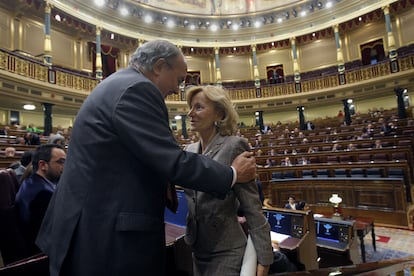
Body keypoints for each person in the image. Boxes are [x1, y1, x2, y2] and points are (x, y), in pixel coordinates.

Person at [36, 40, 257, 276]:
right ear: (160, 66)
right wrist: (232, 174)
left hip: (94, 226)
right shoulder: (138, 89)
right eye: (179, 80)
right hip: (105, 235)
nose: (176, 90)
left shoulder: (119, 84)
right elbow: (172, 161)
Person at [183, 85, 273, 275]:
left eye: (198, 107)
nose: (190, 113)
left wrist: (264, 259)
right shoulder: (189, 151)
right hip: (197, 248)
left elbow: (253, 208)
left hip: (227, 250)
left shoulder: (234, 146)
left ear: (219, 114)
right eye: (190, 107)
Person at [15, 144, 66, 255]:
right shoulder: (43, 194)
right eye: (61, 162)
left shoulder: (32, 183)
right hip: (40, 256)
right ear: (43, 165)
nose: (65, 167)